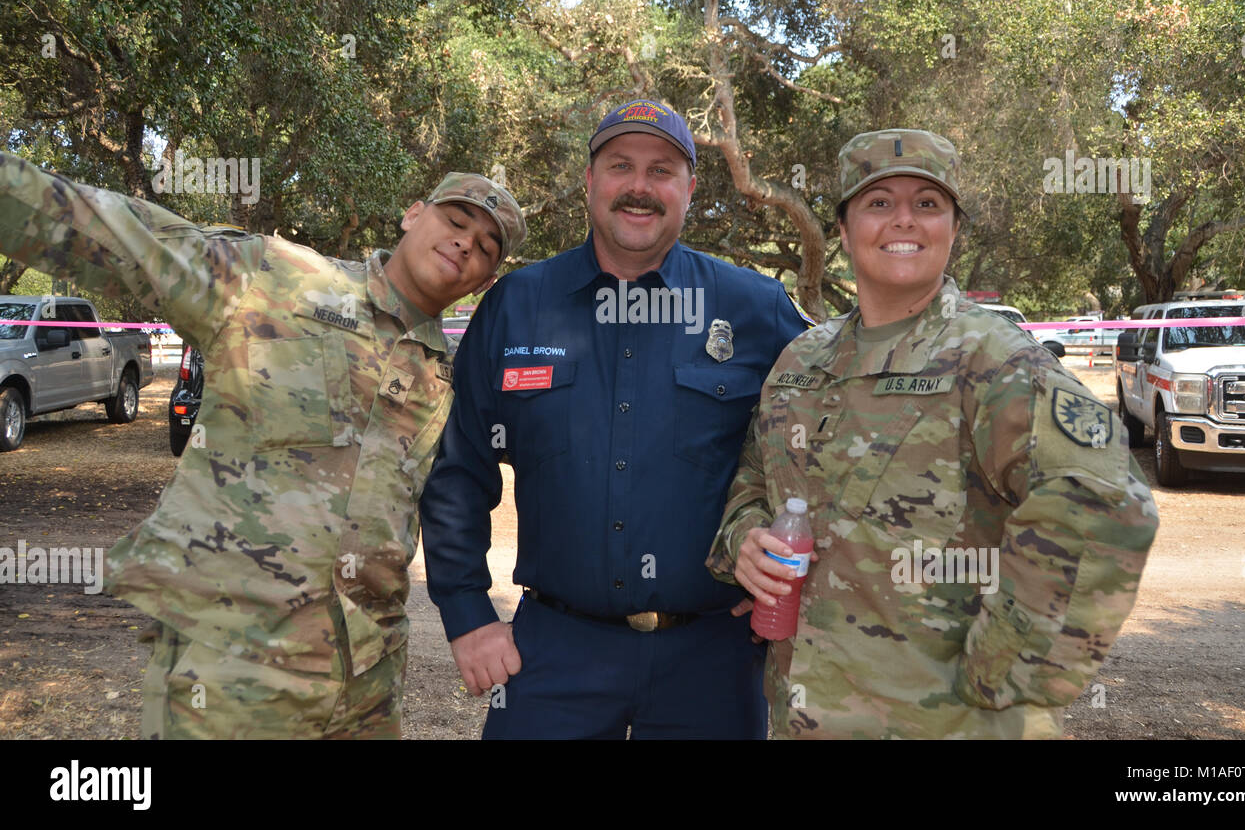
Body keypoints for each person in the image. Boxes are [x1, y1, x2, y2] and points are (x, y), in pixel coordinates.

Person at [0, 153, 525, 738]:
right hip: (229, 678)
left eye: (484, 247)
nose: (464, 245)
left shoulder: (451, 380)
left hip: (366, 687)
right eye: (456, 221)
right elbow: (120, 234)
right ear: (412, 214)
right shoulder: (273, 280)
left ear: (485, 280)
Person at [706, 129, 1158, 739]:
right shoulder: (801, 361)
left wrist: (1002, 675)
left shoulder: (993, 358)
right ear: (843, 229)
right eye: (878, 202)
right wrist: (746, 543)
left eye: (927, 203)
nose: (904, 220)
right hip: (803, 715)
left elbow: (1105, 505)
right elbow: (754, 480)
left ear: (953, 228)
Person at [421, 99, 812, 738]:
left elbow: (834, 429)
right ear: (590, 182)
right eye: (621, 165)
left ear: (689, 189)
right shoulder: (518, 305)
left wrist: (777, 559)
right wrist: (467, 611)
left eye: (662, 170)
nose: (639, 186)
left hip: (714, 657)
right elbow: (459, 472)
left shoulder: (755, 307)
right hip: (553, 652)